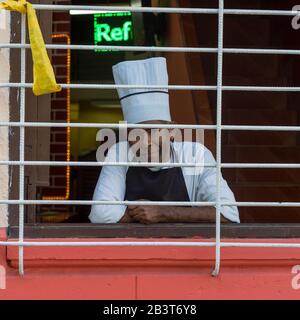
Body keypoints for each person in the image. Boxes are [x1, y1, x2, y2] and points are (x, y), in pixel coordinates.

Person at [89, 57, 240, 224]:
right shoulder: (118, 152)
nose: (145, 142)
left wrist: (162, 213)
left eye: (153, 131)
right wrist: (145, 215)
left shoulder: (195, 154)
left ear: (172, 131)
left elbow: (228, 213)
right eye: (136, 133)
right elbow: (100, 214)